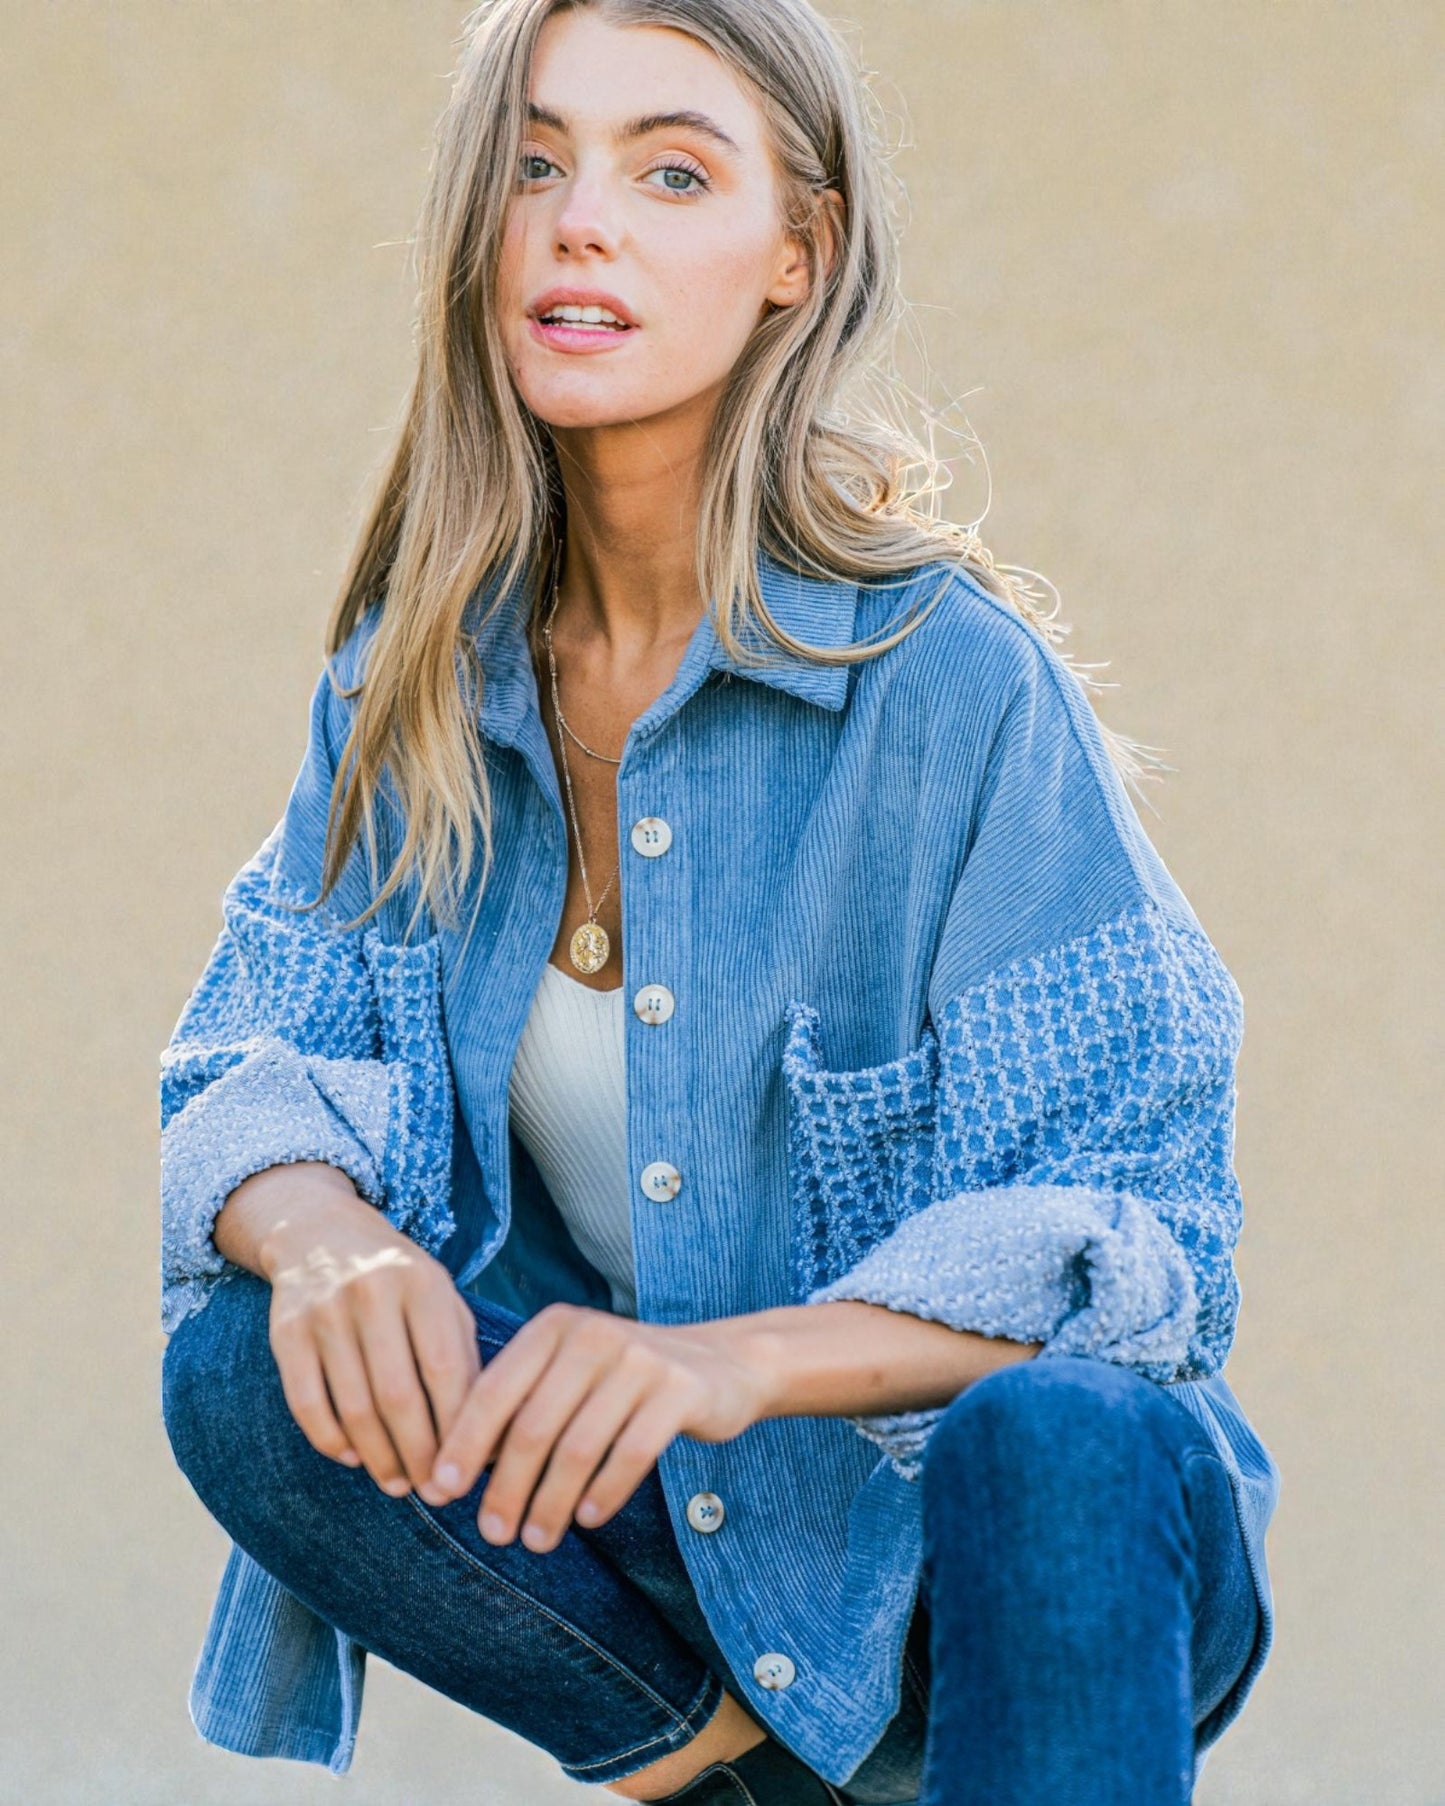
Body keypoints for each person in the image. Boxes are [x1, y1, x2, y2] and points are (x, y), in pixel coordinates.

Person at [157, 2, 1281, 1801]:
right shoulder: (416, 685)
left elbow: (1135, 1242)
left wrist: (717, 1363)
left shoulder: (951, 685)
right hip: (681, 1574)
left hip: (990, 1553)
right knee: (246, 1361)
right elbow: (247, 1064)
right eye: (535, 163)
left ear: (794, 256)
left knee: (1056, 1436)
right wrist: (320, 1235)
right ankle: (731, 1774)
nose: (578, 219)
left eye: (669, 170)